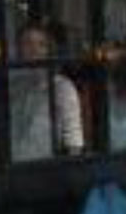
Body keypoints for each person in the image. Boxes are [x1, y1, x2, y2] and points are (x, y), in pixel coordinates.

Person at [10, 22, 85, 158]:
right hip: (13, 171)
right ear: (19, 50)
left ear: (49, 51)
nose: (34, 50)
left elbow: (74, 142)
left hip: (48, 171)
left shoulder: (63, 88)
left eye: (41, 45)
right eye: (28, 44)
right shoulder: (12, 86)